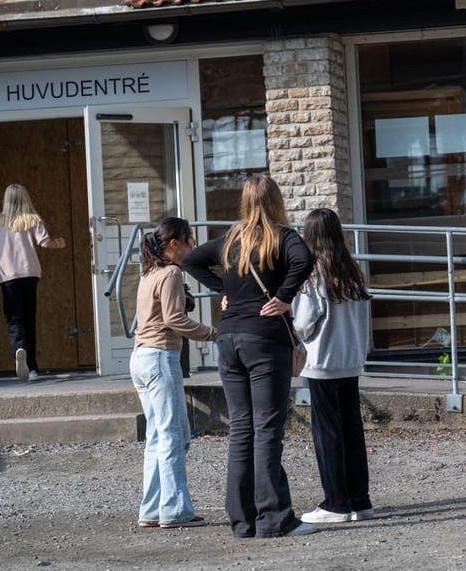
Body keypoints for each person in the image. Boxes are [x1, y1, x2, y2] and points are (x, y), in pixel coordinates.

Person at [180, 175, 317, 539]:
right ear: (275, 200)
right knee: (268, 428)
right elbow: (306, 260)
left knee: (241, 428)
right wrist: (285, 296)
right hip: (264, 340)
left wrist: (223, 289)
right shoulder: (282, 236)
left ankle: (242, 521)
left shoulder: (231, 239)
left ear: (244, 201)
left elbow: (190, 261)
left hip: (228, 338)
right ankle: (274, 519)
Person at [131, 216, 216, 529]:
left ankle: (151, 509)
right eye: (188, 239)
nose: (192, 245)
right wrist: (212, 334)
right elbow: (174, 319)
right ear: (173, 244)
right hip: (159, 358)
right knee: (174, 435)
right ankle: (175, 510)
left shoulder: (149, 272)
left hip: (141, 358)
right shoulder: (171, 274)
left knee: (157, 435)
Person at [293, 208, 375, 526]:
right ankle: (359, 499)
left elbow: (303, 322)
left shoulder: (314, 273)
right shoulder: (353, 271)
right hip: (350, 361)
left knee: (327, 433)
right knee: (351, 431)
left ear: (310, 236)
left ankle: (336, 503)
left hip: (322, 360)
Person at [0, 184, 66, 381]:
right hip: (30, 274)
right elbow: (45, 242)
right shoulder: (32, 220)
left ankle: (19, 348)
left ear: (6, 200)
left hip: (8, 277)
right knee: (29, 319)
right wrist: (59, 243)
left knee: (14, 319)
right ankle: (33, 369)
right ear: (26, 199)